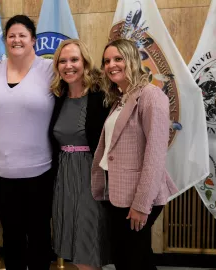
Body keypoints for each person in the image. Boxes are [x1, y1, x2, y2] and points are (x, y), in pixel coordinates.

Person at [91, 38, 179, 270]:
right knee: (132, 257)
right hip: (119, 192)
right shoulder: (120, 98)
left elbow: (155, 155)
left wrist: (141, 204)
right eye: (107, 61)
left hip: (139, 196)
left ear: (132, 60)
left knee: (131, 259)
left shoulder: (151, 96)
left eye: (118, 59)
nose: (111, 65)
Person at [0, 15, 55, 270]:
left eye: (22, 35)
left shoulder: (51, 70)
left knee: (39, 234)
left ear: (33, 40)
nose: (16, 39)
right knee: (11, 236)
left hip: (39, 170)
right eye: (11, 35)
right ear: (5, 40)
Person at [49, 39, 112, 270]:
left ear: (85, 62)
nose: (68, 66)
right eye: (62, 61)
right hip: (63, 179)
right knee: (73, 247)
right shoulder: (57, 97)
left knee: (88, 244)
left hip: (91, 177)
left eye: (74, 59)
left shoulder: (101, 96)